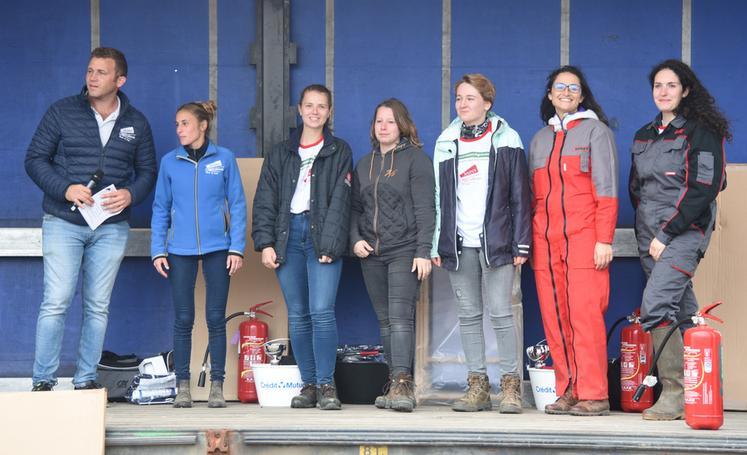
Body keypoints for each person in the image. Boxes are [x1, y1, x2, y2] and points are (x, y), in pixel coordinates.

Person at [25, 47, 157, 391]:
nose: (92, 77)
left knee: (98, 307)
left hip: (110, 227)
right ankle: (43, 380)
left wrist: (131, 194)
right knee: (56, 302)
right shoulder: (61, 111)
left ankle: (84, 381)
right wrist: (65, 188)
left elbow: (147, 172)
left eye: (101, 72)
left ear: (120, 80)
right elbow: (35, 159)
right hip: (63, 222)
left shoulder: (136, 122)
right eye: (89, 71)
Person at [629, 59, 728, 421]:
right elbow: (636, 187)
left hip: (684, 231)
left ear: (685, 90)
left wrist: (667, 233)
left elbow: (705, 188)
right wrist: (649, 232)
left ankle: (675, 393)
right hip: (648, 233)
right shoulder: (643, 134)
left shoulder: (701, 131)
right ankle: (706, 390)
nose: (663, 92)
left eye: (671, 85)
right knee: (683, 312)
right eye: (658, 85)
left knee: (655, 306)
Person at [431, 74, 531, 414]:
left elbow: (520, 195)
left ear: (487, 103)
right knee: (469, 315)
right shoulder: (446, 141)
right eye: (459, 98)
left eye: (470, 98)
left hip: (498, 242)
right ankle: (477, 386)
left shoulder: (507, 138)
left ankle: (510, 386)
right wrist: (436, 243)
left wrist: (521, 243)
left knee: (502, 313)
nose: (462, 104)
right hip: (460, 243)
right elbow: (437, 198)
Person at [252, 84, 352, 411]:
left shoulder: (339, 150)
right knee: (298, 314)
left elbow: (342, 202)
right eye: (309, 105)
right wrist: (265, 242)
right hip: (288, 235)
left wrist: (332, 243)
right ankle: (308, 384)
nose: (314, 111)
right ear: (299, 109)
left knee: (321, 311)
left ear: (329, 111)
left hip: (321, 234)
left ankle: (326, 384)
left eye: (321, 106)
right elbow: (265, 200)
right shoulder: (281, 151)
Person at [529, 65, 618, 417]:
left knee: (585, 318)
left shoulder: (596, 132)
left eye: (573, 87)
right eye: (558, 87)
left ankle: (595, 393)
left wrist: (604, 239)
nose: (565, 92)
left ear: (581, 96)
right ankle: (569, 389)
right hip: (545, 244)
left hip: (585, 240)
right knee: (555, 319)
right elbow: (535, 199)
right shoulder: (539, 139)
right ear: (550, 95)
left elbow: (607, 190)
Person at [151, 100, 247, 408]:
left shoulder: (225, 158)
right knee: (183, 319)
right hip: (179, 250)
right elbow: (160, 208)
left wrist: (236, 247)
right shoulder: (169, 162)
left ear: (202, 126)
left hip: (219, 248)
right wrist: (157, 250)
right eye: (177, 124)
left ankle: (217, 386)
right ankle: (183, 387)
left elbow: (238, 204)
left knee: (216, 319)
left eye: (185, 123)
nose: (179, 129)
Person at [350, 98, 435, 413]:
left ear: (402, 125)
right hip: (371, 253)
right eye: (378, 121)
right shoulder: (364, 164)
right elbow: (354, 209)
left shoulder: (416, 160)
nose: (383, 126)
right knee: (385, 321)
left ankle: (403, 383)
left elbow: (426, 209)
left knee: (400, 320)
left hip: (405, 250)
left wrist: (424, 251)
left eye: (390, 121)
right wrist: (355, 239)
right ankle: (393, 381)